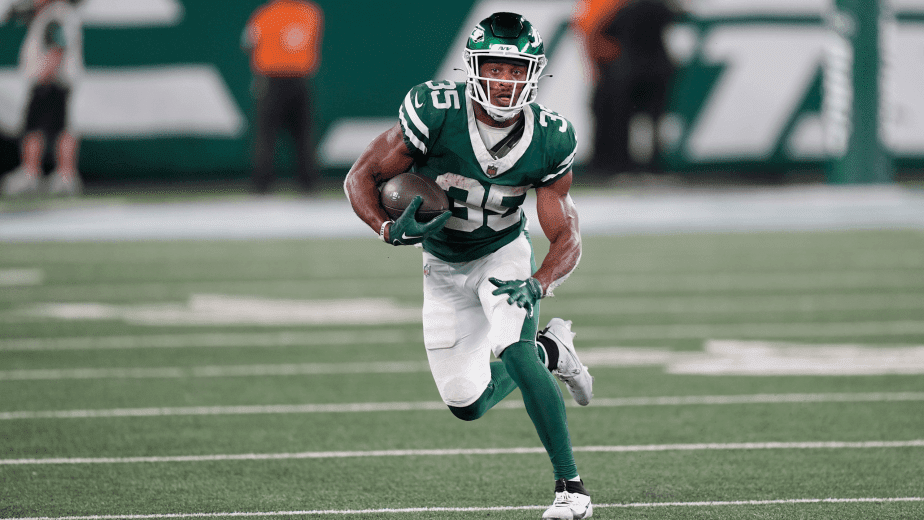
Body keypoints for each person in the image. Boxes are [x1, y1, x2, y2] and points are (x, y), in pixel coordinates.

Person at [344, 12, 594, 520]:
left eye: (516, 70)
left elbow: (566, 233)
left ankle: (572, 490)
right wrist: (387, 229)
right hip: (443, 265)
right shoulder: (435, 112)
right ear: (475, 67)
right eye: (496, 68)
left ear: (534, 73)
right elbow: (361, 177)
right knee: (467, 403)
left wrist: (540, 283)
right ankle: (552, 350)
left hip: (502, 251)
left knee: (513, 351)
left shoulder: (550, 138)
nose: (505, 82)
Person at [574, 0, 676, 176]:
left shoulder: (617, 10)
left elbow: (594, 34)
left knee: (617, 118)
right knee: (651, 120)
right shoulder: (657, 7)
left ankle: (616, 164)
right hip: (654, 70)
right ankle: (650, 165)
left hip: (626, 72)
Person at [1, 0, 84, 197]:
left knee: (34, 128)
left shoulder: (55, 15)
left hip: (49, 82)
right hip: (58, 81)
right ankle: (64, 174)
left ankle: (32, 172)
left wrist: (43, 76)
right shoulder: (57, 14)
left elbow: (57, 47)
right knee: (61, 127)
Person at [242, 0, 323, 194]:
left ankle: (262, 183)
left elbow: (247, 43)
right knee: (301, 133)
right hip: (296, 78)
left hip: (274, 79)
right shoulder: (310, 12)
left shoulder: (266, 13)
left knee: (268, 133)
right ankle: (307, 182)